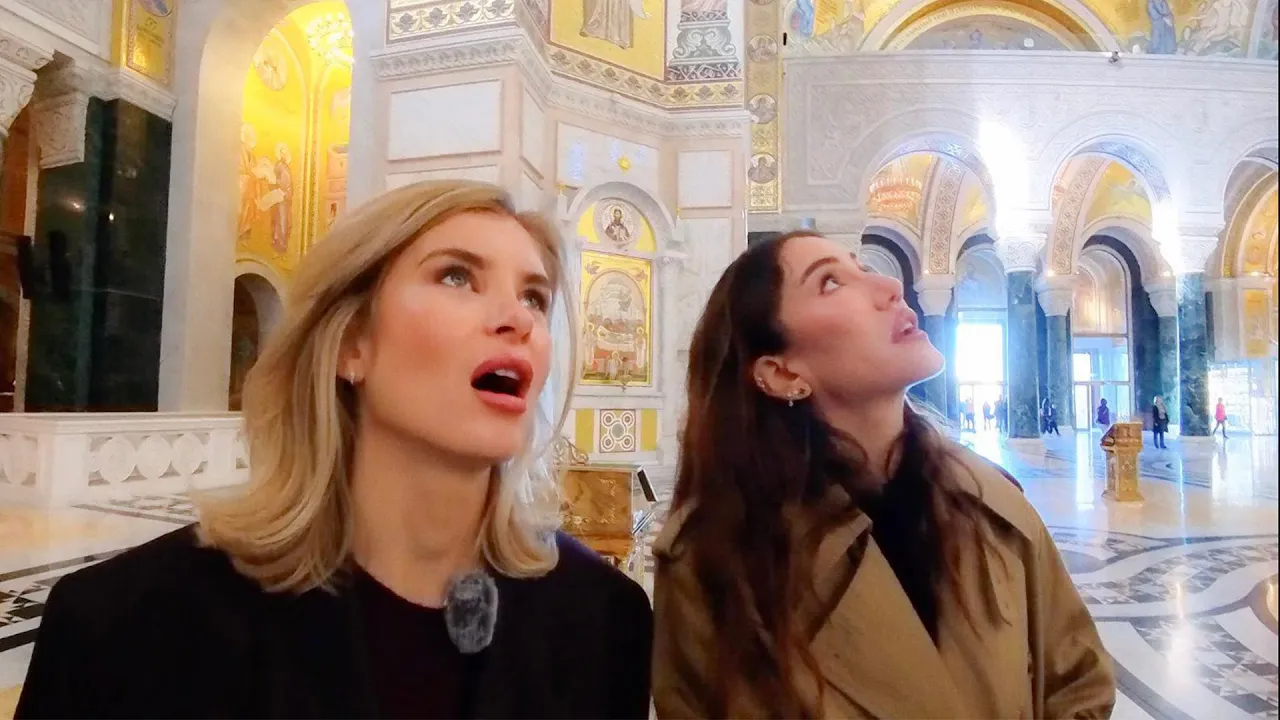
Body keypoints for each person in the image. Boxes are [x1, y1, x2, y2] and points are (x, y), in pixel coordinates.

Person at [17, 181, 653, 719]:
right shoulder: (124, 627)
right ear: (352, 344)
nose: (517, 318)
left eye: (534, 296)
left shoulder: (604, 622)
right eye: (457, 276)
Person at [651, 232, 1115, 719]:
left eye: (863, 268)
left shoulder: (990, 501)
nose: (891, 286)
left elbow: (1078, 682)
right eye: (830, 282)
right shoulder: (715, 563)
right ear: (783, 373)